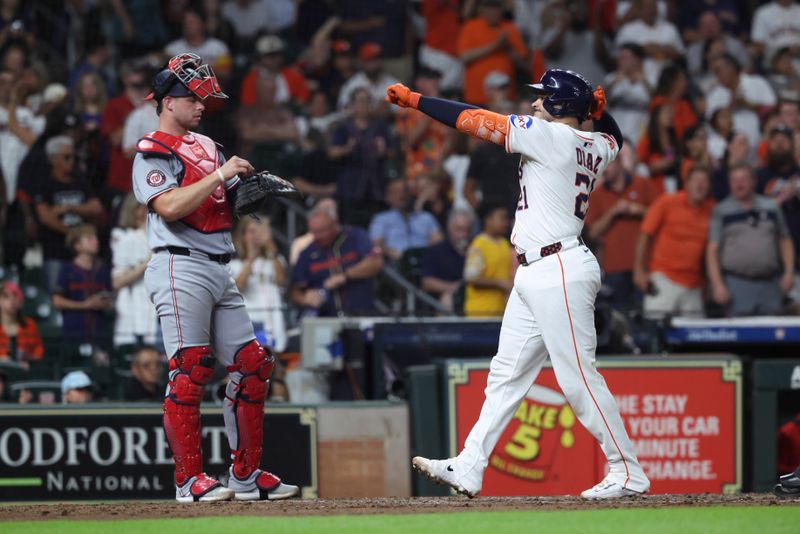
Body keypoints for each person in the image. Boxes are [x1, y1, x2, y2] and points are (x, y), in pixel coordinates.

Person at [388, 68, 651, 498]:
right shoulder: (596, 145)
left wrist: (417, 101)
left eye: (543, 97)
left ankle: (627, 471)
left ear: (562, 105)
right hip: (538, 270)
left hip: (558, 267)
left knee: (578, 379)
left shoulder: (550, 137)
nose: (533, 103)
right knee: (505, 375)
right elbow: (615, 139)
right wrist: (599, 114)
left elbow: (472, 119)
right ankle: (470, 464)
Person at [131, 53, 298, 502]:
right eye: (192, 98)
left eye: (203, 98)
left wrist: (250, 189)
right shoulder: (152, 149)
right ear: (167, 101)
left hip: (219, 264)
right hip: (178, 263)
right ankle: (188, 481)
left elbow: (222, 202)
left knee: (253, 364)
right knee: (190, 370)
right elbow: (168, 205)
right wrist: (222, 175)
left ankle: (245, 477)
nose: (201, 105)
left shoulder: (207, 145)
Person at [707, 163, 794, 316]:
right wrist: (717, 284)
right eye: (734, 180)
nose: (738, 184)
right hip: (736, 284)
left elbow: (785, 240)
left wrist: (788, 272)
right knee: (739, 337)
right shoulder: (721, 211)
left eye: (743, 179)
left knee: (771, 335)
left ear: (754, 182)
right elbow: (712, 250)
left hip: (770, 284)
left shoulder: (771, 207)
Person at [633, 166, 715, 318]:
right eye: (696, 181)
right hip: (664, 278)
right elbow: (645, 234)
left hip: (694, 285)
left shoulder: (712, 210)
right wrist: (639, 270)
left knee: (697, 336)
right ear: (686, 183)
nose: (700, 185)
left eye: (704, 181)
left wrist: (709, 283)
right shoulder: (667, 202)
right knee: (656, 329)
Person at [586, 144, 658, 311]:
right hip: (613, 270)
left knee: (647, 319)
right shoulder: (597, 195)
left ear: (618, 161)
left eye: (607, 164)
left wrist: (638, 210)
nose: (604, 169)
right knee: (619, 320)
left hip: (645, 267)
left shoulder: (643, 184)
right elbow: (591, 232)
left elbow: (662, 216)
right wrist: (612, 213)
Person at [290, 201, 384, 317]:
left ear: (334, 224)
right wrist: (305, 298)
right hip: (325, 318)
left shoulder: (355, 236)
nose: (318, 236)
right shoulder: (308, 252)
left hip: (361, 313)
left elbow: (376, 263)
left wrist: (345, 276)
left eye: (322, 231)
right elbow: (295, 290)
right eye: (314, 232)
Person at [230, 218, 288, 353]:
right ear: (243, 236)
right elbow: (238, 287)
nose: (256, 235)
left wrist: (270, 246)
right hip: (248, 322)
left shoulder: (275, 261)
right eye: (251, 232)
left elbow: (282, 280)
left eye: (260, 231)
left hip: (273, 322)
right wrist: (251, 258)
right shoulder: (234, 265)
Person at [52, 224, 114, 351]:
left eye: (95, 238)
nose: (96, 241)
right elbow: (57, 301)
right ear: (77, 245)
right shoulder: (67, 269)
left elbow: (110, 299)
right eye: (89, 238)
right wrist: (85, 305)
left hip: (99, 334)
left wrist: (104, 303)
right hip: (74, 333)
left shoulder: (103, 269)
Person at [111, 193, 158, 347]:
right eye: (141, 207)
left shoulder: (164, 237)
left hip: (160, 309)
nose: (145, 211)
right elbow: (117, 281)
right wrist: (147, 263)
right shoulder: (126, 239)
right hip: (135, 311)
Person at [369, 179, 443, 262]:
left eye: (404, 191)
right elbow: (376, 245)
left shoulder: (426, 217)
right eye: (396, 192)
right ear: (388, 197)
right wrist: (389, 252)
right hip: (395, 263)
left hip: (425, 260)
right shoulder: (381, 219)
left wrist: (427, 253)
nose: (401, 195)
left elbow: (438, 242)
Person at [463, 203, 513, 317]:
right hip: (479, 313)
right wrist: (499, 283)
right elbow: (471, 278)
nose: (506, 222)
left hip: (501, 312)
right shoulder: (479, 244)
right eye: (502, 218)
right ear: (488, 220)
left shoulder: (505, 243)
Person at [422, 208, 474, 312]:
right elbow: (427, 282)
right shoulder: (436, 251)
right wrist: (455, 288)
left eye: (466, 230)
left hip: (476, 296)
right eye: (459, 230)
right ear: (449, 228)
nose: (463, 235)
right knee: (447, 298)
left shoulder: (477, 249)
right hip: (446, 298)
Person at [0, 280, 44, 366]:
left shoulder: (30, 325)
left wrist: (28, 359)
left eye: (15, 296)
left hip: (25, 373)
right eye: (6, 296)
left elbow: (39, 351)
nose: (11, 300)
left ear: (20, 301)